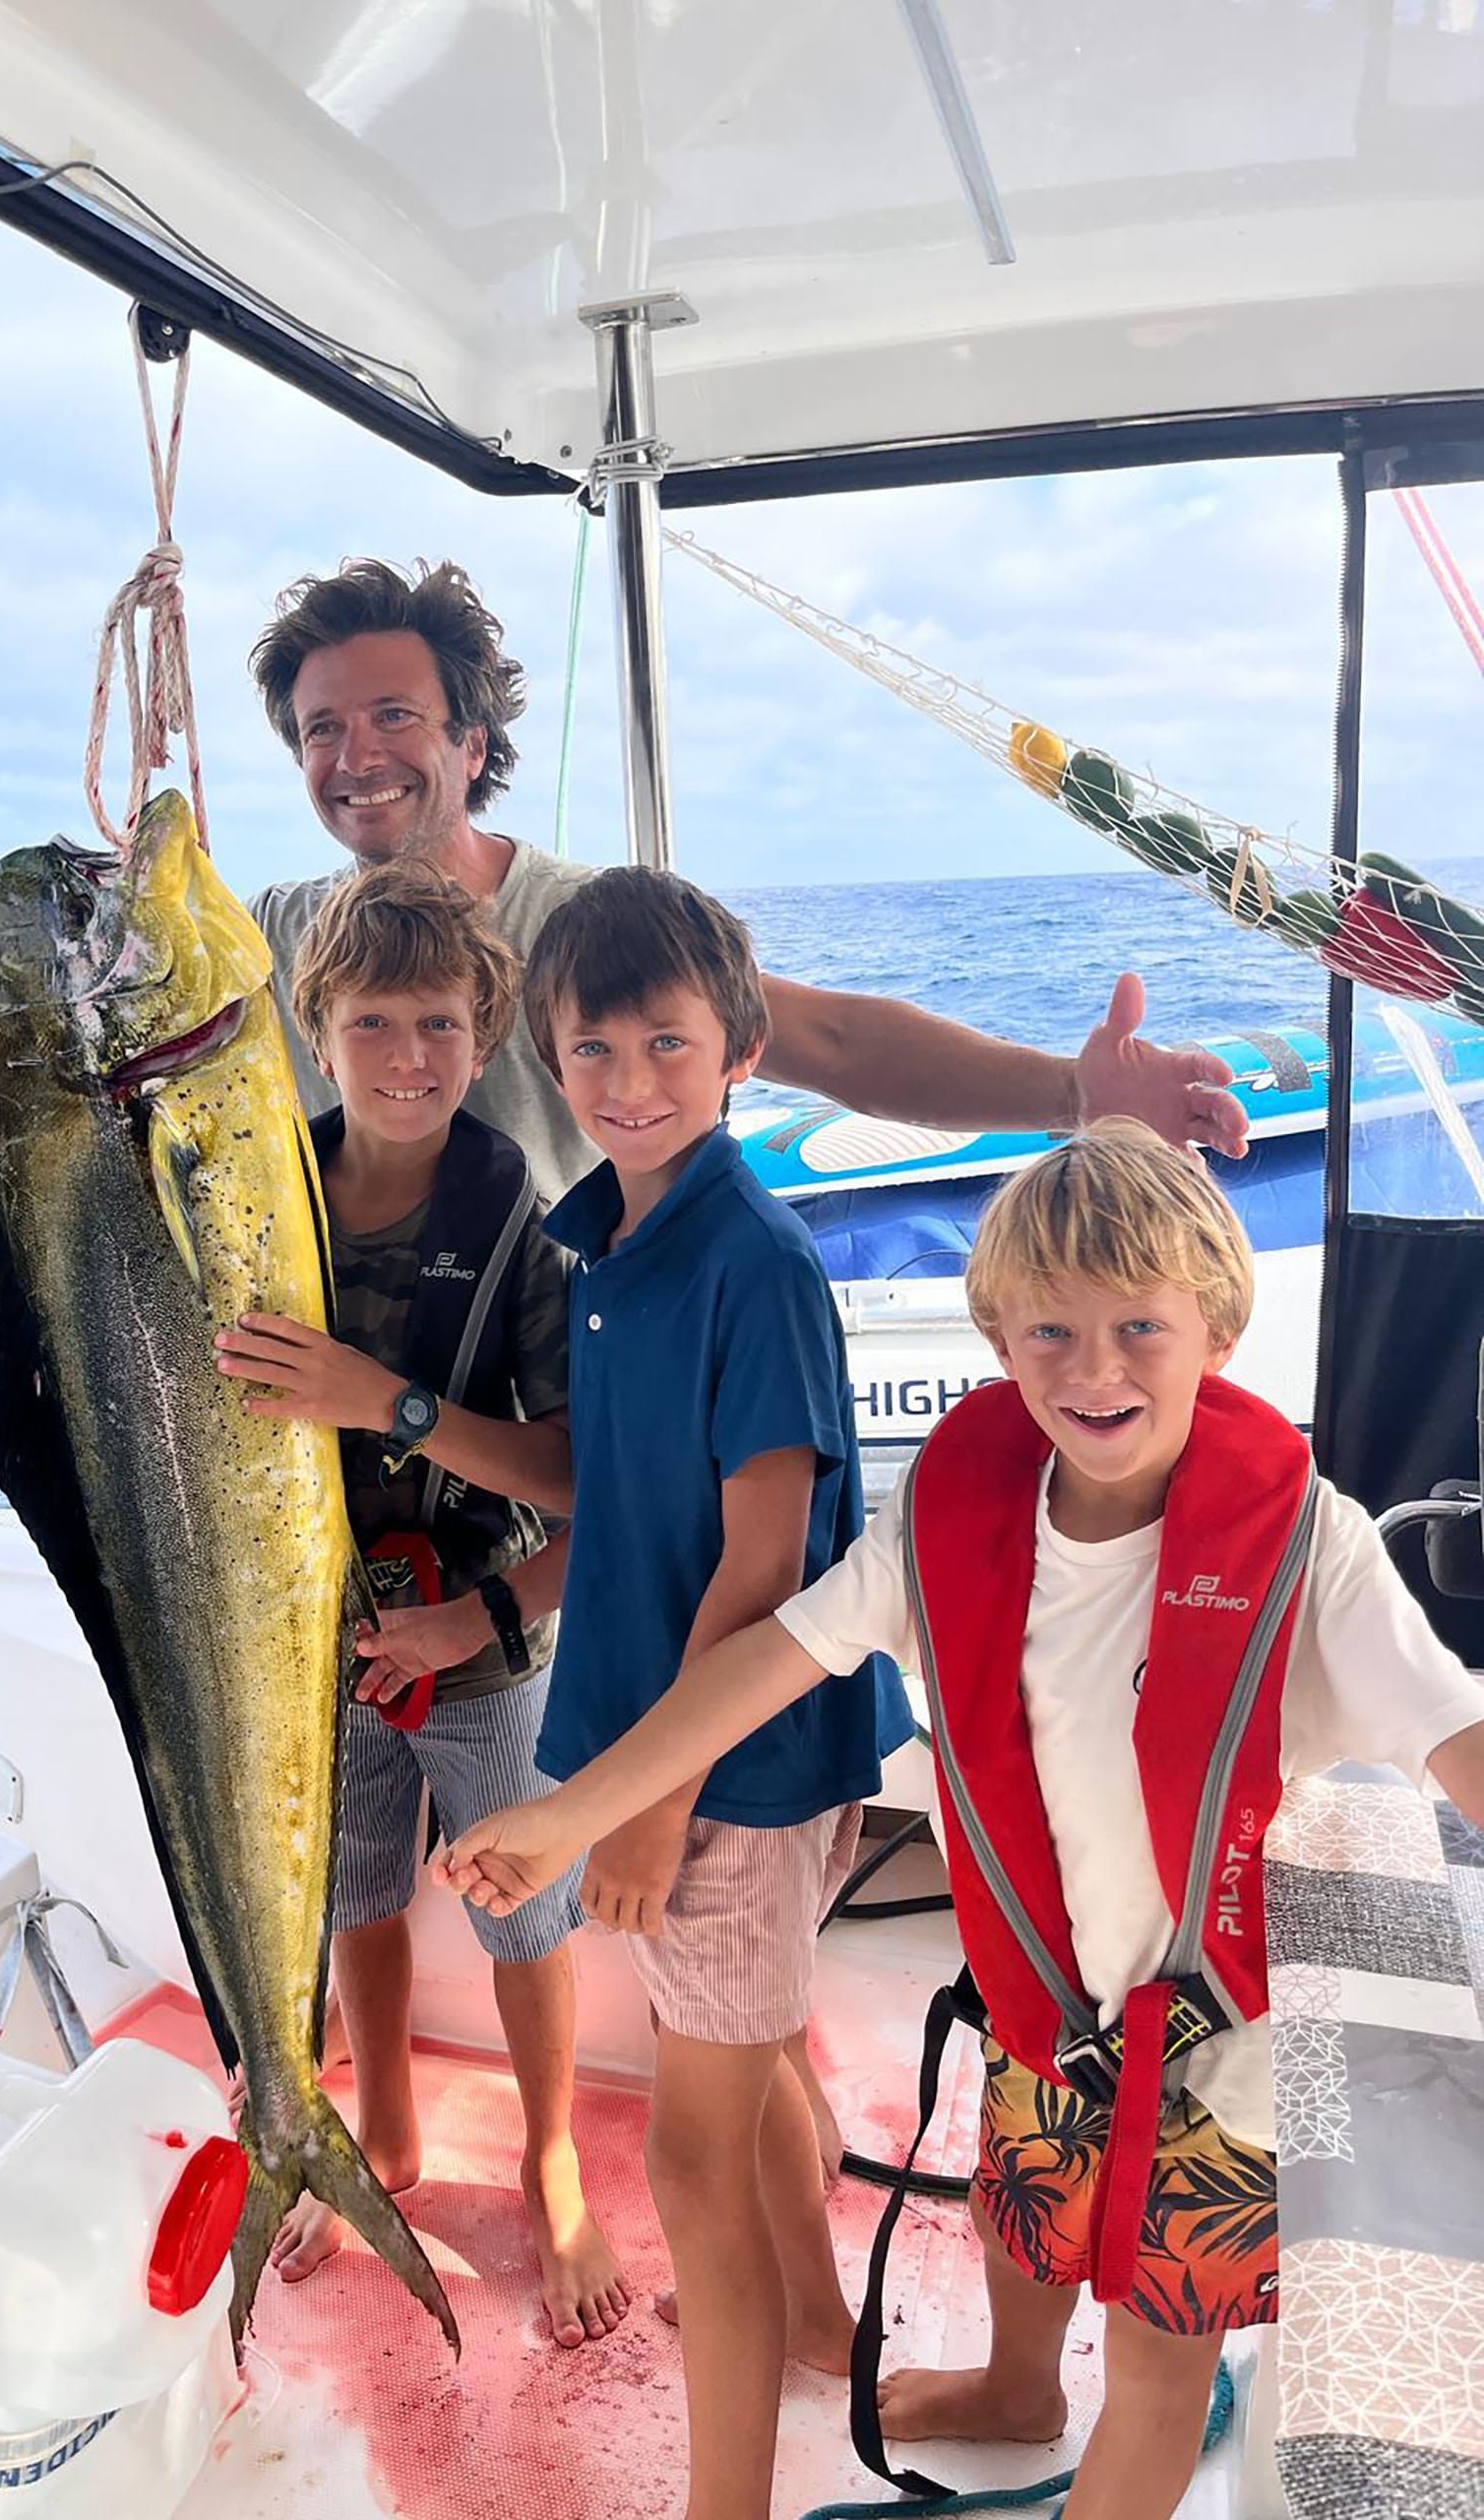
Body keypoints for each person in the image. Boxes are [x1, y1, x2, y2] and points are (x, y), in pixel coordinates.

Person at [440, 1119, 1484, 2520]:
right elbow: (772, 1656)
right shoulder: (954, 1511)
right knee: (1024, 2218)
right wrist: (574, 1814)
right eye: (1048, 1332)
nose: (1092, 1370)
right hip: (1043, 2003)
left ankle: (1068, 2412)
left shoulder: (1314, 1552)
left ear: (1219, 1327)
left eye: (1137, 1328)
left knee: (1164, 2367)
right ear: (994, 1337)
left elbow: (1457, 1739)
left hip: (1216, 2052)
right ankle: (1014, 2392)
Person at [0, 558, 1253, 1220]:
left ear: (471, 738)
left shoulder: (592, 915)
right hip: (353, 1399)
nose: (358, 754)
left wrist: (1071, 1094)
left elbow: (815, 1034)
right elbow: (48, 1027)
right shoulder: (276, 934)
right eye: (324, 728)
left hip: (552, 1402)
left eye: (395, 715)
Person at [502, 862, 914, 2520]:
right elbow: (598, 1477)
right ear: (550, 1057)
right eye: (591, 1053)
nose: (631, 1085)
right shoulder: (610, 1237)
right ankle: (815, 2324)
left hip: (730, 1772)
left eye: (667, 1044)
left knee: (688, 2156)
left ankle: (724, 2495)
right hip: (681, 1758)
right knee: (750, 2074)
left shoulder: (752, 1256)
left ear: (739, 1044)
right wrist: (388, 1408)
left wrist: (649, 1806)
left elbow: (762, 1571)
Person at [204, 857, 627, 2349]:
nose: (409, 1060)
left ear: (485, 1032)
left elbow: (579, 1476)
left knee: (523, 1909)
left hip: (484, 1630)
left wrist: (383, 1404)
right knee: (361, 1896)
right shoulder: (270, 1191)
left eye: (442, 1028)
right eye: (374, 1024)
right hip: (314, 1637)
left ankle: (552, 2158)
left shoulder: (521, 1215)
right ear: (312, 1030)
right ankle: (379, 2131)